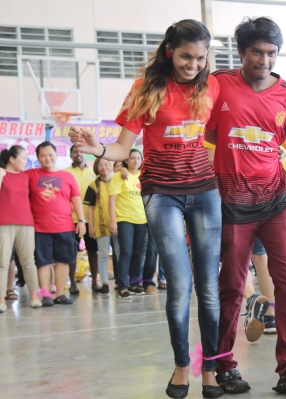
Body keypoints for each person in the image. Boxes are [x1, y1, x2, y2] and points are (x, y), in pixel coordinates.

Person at [70, 19, 225, 398]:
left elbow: (223, 132)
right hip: (162, 194)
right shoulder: (147, 88)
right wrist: (98, 148)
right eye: (186, 56)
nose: (193, 64)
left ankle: (211, 370)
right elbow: (124, 148)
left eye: (201, 58)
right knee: (180, 286)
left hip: (205, 192)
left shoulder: (214, 85)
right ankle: (181, 367)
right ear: (170, 50)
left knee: (208, 288)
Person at [204, 16, 286, 394]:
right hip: (230, 203)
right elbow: (205, 140)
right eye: (256, 52)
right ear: (242, 52)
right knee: (231, 287)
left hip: (277, 201)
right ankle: (224, 365)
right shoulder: (219, 85)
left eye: (271, 53)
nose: (264, 59)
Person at [28, 141, 85, 306]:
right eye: (43, 155)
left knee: (63, 260)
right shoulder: (31, 175)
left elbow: (76, 199)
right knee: (43, 261)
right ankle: (45, 294)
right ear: (38, 157)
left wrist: (81, 220)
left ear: (56, 155)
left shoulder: (67, 176)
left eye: (50, 154)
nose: (47, 158)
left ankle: (60, 294)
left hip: (65, 226)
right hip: (39, 228)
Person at [0, 146, 42, 311]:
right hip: (4, 223)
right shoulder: (2, 174)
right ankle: (1, 299)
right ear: (12, 159)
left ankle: (34, 295)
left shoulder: (27, 175)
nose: (26, 161)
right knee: (2, 262)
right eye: (23, 158)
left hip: (26, 223)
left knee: (28, 261)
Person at [108, 149, 147, 298]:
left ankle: (135, 283)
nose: (135, 160)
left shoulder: (143, 176)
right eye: (132, 158)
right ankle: (123, 286)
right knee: (126, 252)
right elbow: (112, 199)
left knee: (137, 253)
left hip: (141, 219)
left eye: (138, 158)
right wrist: (113, 221)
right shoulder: (119, 176)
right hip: (124, 219)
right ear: (126, 160)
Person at [64, 145, 98, 294]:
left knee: (93, 251)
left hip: (91, 219)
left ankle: (95, 282)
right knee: (71, 252)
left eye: (81, 151)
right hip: (71, 219)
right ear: (71, 155)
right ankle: (72, 283)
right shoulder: (65, 173)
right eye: (75, 152)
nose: (79, 154)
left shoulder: (95, 173)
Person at [83, 158, 113, 296]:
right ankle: (105, 283)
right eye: (100, 165)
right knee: (102, 254)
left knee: (120, 253)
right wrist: (91, 226)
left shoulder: (117, 181)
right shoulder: (93, 185)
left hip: (119, 222)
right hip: (100, 225)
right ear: (96, 168)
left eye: (106, 164)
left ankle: (122, 283)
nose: (103, 167)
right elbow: (90, 208)